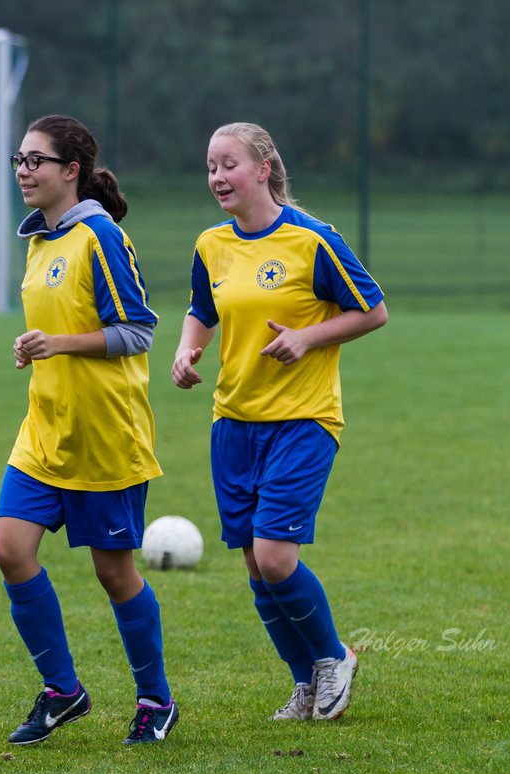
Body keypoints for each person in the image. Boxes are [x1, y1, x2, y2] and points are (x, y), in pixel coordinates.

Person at [171, 122, 387, 722]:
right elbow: (202, 308)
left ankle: (333, 656)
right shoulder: (211, 244)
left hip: (302, 420)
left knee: (274, 557)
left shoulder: (312, 241)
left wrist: (307, 338)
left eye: (229, 164)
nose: (217, 177)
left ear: (263, 169)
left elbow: (373, 310)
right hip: (233, 422)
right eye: (210, 166)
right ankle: (305, 684)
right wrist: (188, 349)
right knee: (253, 564)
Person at [0, 114, 177, 746]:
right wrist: (34, 348)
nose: (23, 170)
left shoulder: (101, 237)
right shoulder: (40, 240)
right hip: (45, 431)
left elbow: (138, 330)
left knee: (114, 574)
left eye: (36, 160)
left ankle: (156, 700)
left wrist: (61, 343)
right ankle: (62, 691)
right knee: (10, 550)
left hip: (105, 437)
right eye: (19, 159)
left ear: (71, 171)